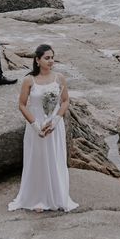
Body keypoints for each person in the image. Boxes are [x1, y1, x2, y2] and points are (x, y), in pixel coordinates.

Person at [8, 44, 78, 212]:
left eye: (52, 57)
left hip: (54, 125)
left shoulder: (59, 78)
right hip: (36, 126)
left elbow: (66, 101)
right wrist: (35, 125)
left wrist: (56, 120)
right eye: (47, 58)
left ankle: (57, 195)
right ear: (37, 60)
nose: (51, 61)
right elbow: (22, 105)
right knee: (37, 160)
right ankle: (37, 198)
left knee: (55, 159)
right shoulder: (29, 80)